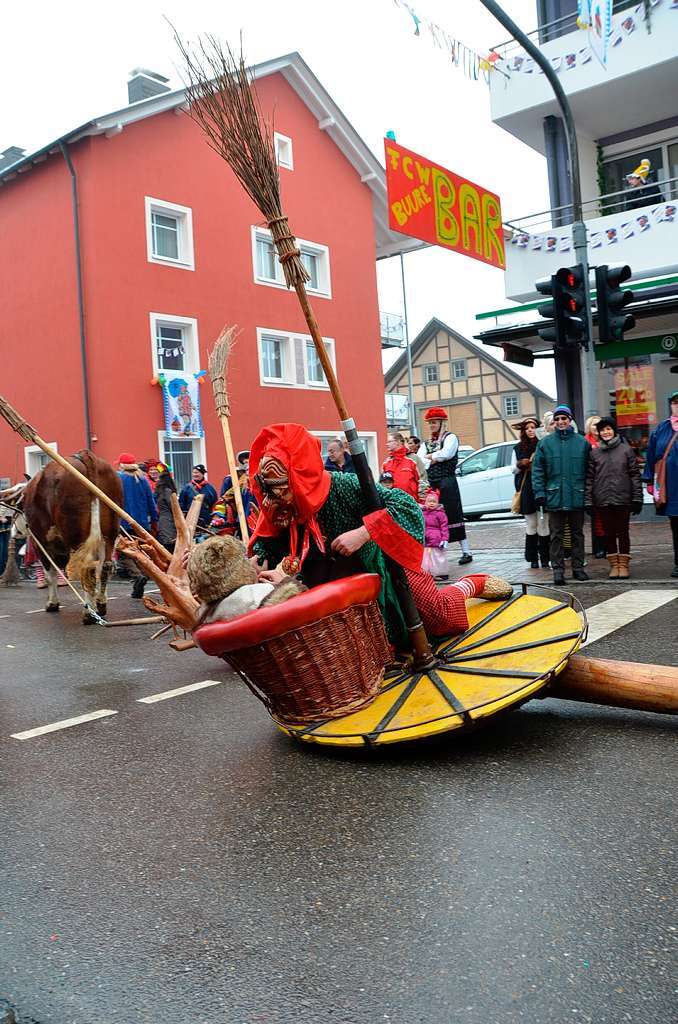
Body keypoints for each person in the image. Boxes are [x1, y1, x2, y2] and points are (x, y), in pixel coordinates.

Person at [247, 423, 511, 649]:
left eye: (279, 490)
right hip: (333, 586)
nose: (272, 500)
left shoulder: (345, 485)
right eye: (267, 491)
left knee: (438, 617)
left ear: (300, 479)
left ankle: (469, 585)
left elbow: (406, 507)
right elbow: (269, 541)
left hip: (384, 564)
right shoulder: (282, 506)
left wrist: (363, 533)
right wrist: (259, 559)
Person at [532, 405, 591, 586]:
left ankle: (578, 568)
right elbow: (538, 471)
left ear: (570, 420)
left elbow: (590, 472)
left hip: (576, 496)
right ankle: (558, 570)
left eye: (563, 418)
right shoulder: (545, 444)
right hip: (554, 496)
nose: (560, 422)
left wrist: (588, 495)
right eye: (557, 419)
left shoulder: (582, 443)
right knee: (556, 535)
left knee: (577, 535)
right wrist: (540, 493)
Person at [585, 417, 642, 579]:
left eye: (608, 429)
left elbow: (634, 475)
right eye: (603, 430)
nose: (606, 432)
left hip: (623, 498)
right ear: (600, 433)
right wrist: (588, 501)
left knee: (623, 532)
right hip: (602, 499)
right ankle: (614, 565)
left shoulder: (626, 450)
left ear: (614, 430)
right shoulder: (595, 453)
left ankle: (623, 565)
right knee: (608, 533)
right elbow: (589, 478)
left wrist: (637, 498)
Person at [417, 407, 473, 565]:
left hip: (447, 482)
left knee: (453, 514)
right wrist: (434, 457)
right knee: (433, 516)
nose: (432, 425)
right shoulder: (427, 442)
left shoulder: (451, 437)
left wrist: (433, 457)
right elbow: (422, 460)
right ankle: (438, 553)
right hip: (432, 482)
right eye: (430, 423)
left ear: (441, 423)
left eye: (434, 422)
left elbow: (447, 454)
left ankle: (466, 551)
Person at [643, 390, 678, 578]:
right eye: (675, 402)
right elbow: (651, 455)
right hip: (670, 485)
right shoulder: (662, 429)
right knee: (676, 525)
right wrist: (649, 479)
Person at [117, 452, 159, 598]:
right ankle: (142, 577)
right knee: (141, 553)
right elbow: (151, 502)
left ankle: (138, 576)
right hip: (142, 523)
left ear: (122, 465)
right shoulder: (143, 479)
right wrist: (154, 521)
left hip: (124, 523)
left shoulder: (119, 478)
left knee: (124, 554)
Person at [511, 417, 549, 569]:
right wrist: (521, 464)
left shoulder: (544, 445)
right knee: (532, 524)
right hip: (527, 489)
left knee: (544, 525)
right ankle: (533, 558)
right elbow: (512, 469)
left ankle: (546, 558)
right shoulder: (518, 448)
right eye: (527, 428)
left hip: (543, 488)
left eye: (533, 427)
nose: (530, 430)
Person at [583, 415, 607, 559]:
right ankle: (599, 548)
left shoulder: (607, 441)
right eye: (593, 425)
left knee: (607, 518)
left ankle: (608, 546)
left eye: (599, 424)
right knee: (597, 519)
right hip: (593, 484)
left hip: (606, 484)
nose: (596, 427)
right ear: (589, 428)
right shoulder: (585, 443)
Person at [420, 489, 449, 580]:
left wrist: (445, 539)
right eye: (429, 501)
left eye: (434, 501)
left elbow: (444, 527)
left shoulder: (440, 514)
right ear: (426, 502)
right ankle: (427, 572)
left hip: (437, 539)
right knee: (426, 557)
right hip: (426, 538)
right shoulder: (422, 513)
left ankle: (441, 572)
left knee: (438, 557)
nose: (431, 503)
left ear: (437, 503)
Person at [179, 464, 218, 531]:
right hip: (190, 520)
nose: (195, 474)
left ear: (203, 474)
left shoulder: (210, 488)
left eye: (197, 472)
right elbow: (181, 504)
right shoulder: (186, 488)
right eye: (194, 472)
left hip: (206, 520)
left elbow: (215, 504)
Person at [382, 432, 419, 500]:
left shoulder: (413, 459)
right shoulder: (386, 463)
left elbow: (422, 481)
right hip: (393, 503)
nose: (387, 444)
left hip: (411, 503)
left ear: (398, 442)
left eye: (389, 441)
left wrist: (421, 502)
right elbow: (382, 485)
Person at [153, 462, 178, 552]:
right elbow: (174, 508)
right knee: (170, 548)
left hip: (163, 523)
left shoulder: (159, 490)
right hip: (169, 524)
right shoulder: (167, 491)